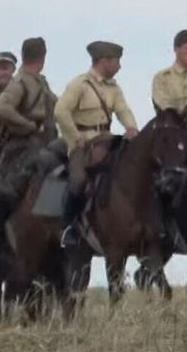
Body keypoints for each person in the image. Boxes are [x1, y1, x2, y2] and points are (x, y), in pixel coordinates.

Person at [55, 40, 139, 239]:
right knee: (78, 180)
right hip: (82, 143)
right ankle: (69, 227)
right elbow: (60, 112)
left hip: (106, 139)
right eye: (116, 61)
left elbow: (123, 110)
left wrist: (131, 127)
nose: (119, 66)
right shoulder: (80, 85)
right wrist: (75, 138)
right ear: (104, 61)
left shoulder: (114, 88)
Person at [0, 37, 57, 255]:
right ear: (42, 57)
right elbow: (2, 107)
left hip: (44, 143)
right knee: (11, 187)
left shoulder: (40, 82)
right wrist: (27, 125)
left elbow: (56, 104)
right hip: (23, 145)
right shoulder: (21, 82)